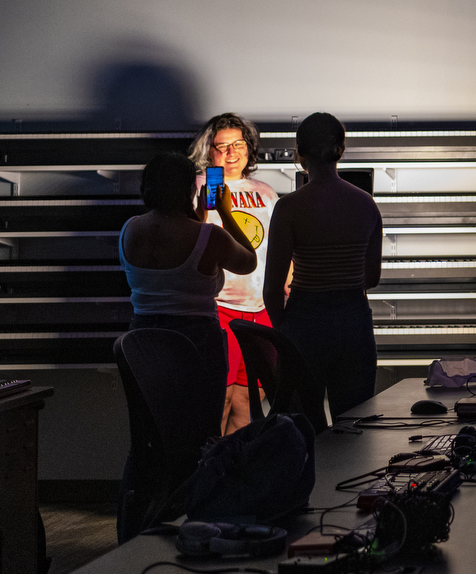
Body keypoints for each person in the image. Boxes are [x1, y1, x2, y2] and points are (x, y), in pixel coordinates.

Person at [120, 152, 258, 433]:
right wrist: (224, 212)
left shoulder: (130, 228)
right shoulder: (210, 236)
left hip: (142, 340)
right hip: (196, 340)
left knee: (150, 433)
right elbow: (248, 261)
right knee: (201, 432)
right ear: (190, 190)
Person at [265, 112, 383, 418]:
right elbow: (371, 277)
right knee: (355, 426)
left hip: (305, 320)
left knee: (301, 426)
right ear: (340, 150)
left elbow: (272, 288)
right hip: (353, 318)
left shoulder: (289, 208)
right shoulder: (365, 204)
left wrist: (285, 331)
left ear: (299, 153)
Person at [189, 113, 281, 434]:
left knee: (248, 401)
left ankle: (234, 472)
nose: (231, 153)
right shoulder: (200, 185)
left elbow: (281, 247)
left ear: (249, 147)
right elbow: (192, 239)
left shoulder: (266, 192)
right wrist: (204, 207)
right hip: (219, 307)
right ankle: (209, 471)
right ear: (209, 151)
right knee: (219, 399)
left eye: (238, 144)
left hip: (261, 308)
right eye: (222, 146)